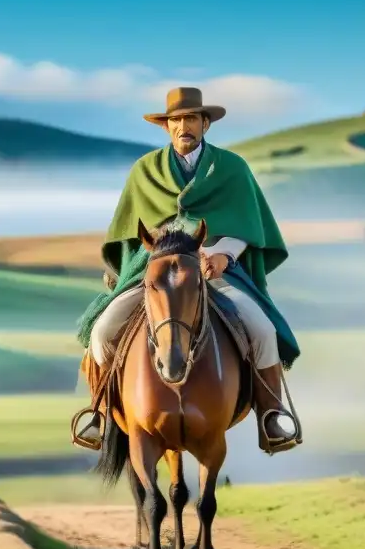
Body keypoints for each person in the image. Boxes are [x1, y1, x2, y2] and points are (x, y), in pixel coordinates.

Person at [74, 87, 301, 454]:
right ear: (166, 126)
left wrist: (224, 255)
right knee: (101, 332)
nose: (184, 127)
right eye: (176, 120)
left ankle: (272, 414)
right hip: (158, 273)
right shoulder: (144, 171)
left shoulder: (232, 168)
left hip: (215, 270)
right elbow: (128, 236)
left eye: (192, 119)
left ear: (205, 123)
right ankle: (97, 413)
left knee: (262, 329)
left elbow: (247, 225)